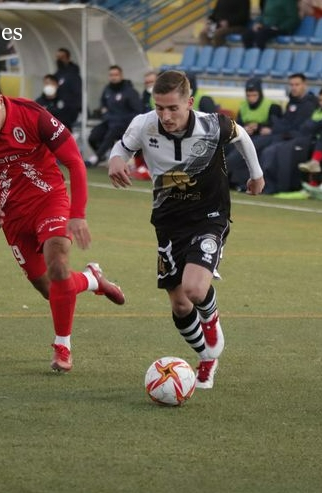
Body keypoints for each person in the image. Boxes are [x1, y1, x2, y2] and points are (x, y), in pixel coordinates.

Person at [0, 76, 125, 372]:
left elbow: (75, 162)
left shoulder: (34, 116)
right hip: (11, 215)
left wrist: (77, 213)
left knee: (58, 264)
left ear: (0, 100)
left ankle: (62, 347)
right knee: (50, 288)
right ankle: (92, 279)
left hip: (49, 199)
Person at [107, 69, 265, 390]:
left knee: (194, 289)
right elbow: (122, 148)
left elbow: (242, 137)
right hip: (168, 220)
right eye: (159, 107)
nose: (165, 116)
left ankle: (211, 320)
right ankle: (207, 358)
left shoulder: (212, 125)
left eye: (173, 108)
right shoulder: (144, 124)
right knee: (180, 304)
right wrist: (115, 159)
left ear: (189, 103)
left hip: (210, 215)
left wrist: (256, 174)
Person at [228, 73, 318, 190]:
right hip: (277, 135)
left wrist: (269, 129)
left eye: (297, 84)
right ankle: (238, 180)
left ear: (304, 85)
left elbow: (298, 127)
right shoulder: (292, 102)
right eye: (291, 85)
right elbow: (285, 123)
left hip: (289, 138)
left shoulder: (308, 105)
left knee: (261, 149)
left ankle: (259, 183)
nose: (294, 87)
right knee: (247, 146)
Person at [263, 87, 322, 195]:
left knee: (296, 149)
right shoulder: (318, 111)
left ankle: (301, 184)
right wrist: (311, 126)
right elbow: (306, 126)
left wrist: (312, 125)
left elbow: (319, 125)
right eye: (321, 100)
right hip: (313, 141)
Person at [86, 65, 142, 167]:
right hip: (109, 121)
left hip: (124, 124)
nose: (113, 77)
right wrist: (104, 113)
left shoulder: (130, 92)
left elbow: (137, 111)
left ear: (121, 76)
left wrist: (122, 119)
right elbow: (103, 105)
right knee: (93, 136)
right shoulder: (107, 90)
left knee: (112, 131)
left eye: (116, 75)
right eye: (111, 75)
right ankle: (104, 155)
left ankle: (95, 158)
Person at [53, 48, 82, 128]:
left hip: (69, 111)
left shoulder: (73, 75)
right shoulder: (57, 75)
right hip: (58, 108)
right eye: (57, 57)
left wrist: (77, 109)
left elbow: (78, 94)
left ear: (68, 59)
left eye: (62, 57)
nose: (59, 60)